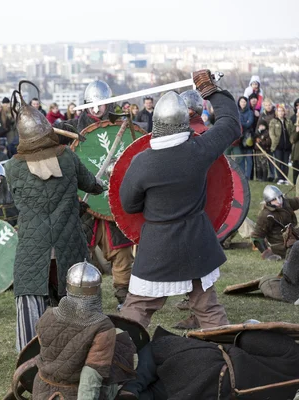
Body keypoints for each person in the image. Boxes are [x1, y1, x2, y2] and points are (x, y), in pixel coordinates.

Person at [118, 70, 239, 329]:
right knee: (207, 309)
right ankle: (226, 363)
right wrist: (211, 91)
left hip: (157, 247)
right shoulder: (199, 151)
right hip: (196, 243)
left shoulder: (142, 163)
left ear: (157, 124)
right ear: (185, 121)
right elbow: (229, 122)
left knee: (136, 310)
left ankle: (117, 362)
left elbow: (129, 205)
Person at [5, 92, 104, 351]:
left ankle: (30, 350)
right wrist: (92, 190)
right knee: (74, 293)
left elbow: (21, 199)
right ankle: (78, 344)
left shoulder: (13, 167)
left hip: (33, 244)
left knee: (31, 294)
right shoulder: (67, 156)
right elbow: (91, 185)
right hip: (66, 239)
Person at [55, 81, 135, 308]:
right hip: (83, 203)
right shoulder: (71, 129)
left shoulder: (122, 126)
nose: (97, 109)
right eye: (93, 105)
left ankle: (122, 296)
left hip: (112, 202)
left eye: (101, 105)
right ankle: (81, 298)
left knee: (122, 253)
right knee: (80, 253)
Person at [32, 261, 135, 400]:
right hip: (74, 394)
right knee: (127, 348)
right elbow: (90, 377)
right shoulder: (103, 327)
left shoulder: (48, 315)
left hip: (42, 392)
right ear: (97, 290)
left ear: (69, 287)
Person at [117, 325, 299, 400]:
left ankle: (131, 387)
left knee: (157, 347)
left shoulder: (293, 353)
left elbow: (247, 338)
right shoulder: (289, 393)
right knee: (159, 392)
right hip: (211, 391)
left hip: (209, 362)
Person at [251, 185, 299, 260]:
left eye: (279, 197)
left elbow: (296, 201)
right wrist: (267, 254)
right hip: (281, 245)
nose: (279, 201)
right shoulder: (266, 215)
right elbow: (256, 237)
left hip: (294, 235)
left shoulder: (285, 203)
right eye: (274, 199)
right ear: (269, 201)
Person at [270, 104, 294, 185]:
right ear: (277, 112)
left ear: (284, 112)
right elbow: (271, 133)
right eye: (279, 111)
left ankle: (285, 178)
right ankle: (280, 178)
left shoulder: (288, 121)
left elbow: (291, 132)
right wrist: (275, 141)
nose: (281, 113)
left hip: (287, 146)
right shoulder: (274, 121)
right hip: (278, 146)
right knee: (278, 162)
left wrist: (291, 142)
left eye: (282, 111)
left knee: (285, 163)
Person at [237, 96, 254, 180]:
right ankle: (242, 175)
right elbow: (237, 123)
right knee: (241, 157)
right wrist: (244, 122)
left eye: (244, 102)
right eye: (241, 102)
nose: (243, 103)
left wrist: (241, 122)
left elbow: (249, 123)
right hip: (239, 136)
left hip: (248, 137)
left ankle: (248, 175)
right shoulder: (237, 112)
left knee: (249, 158)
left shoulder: (250, 112)